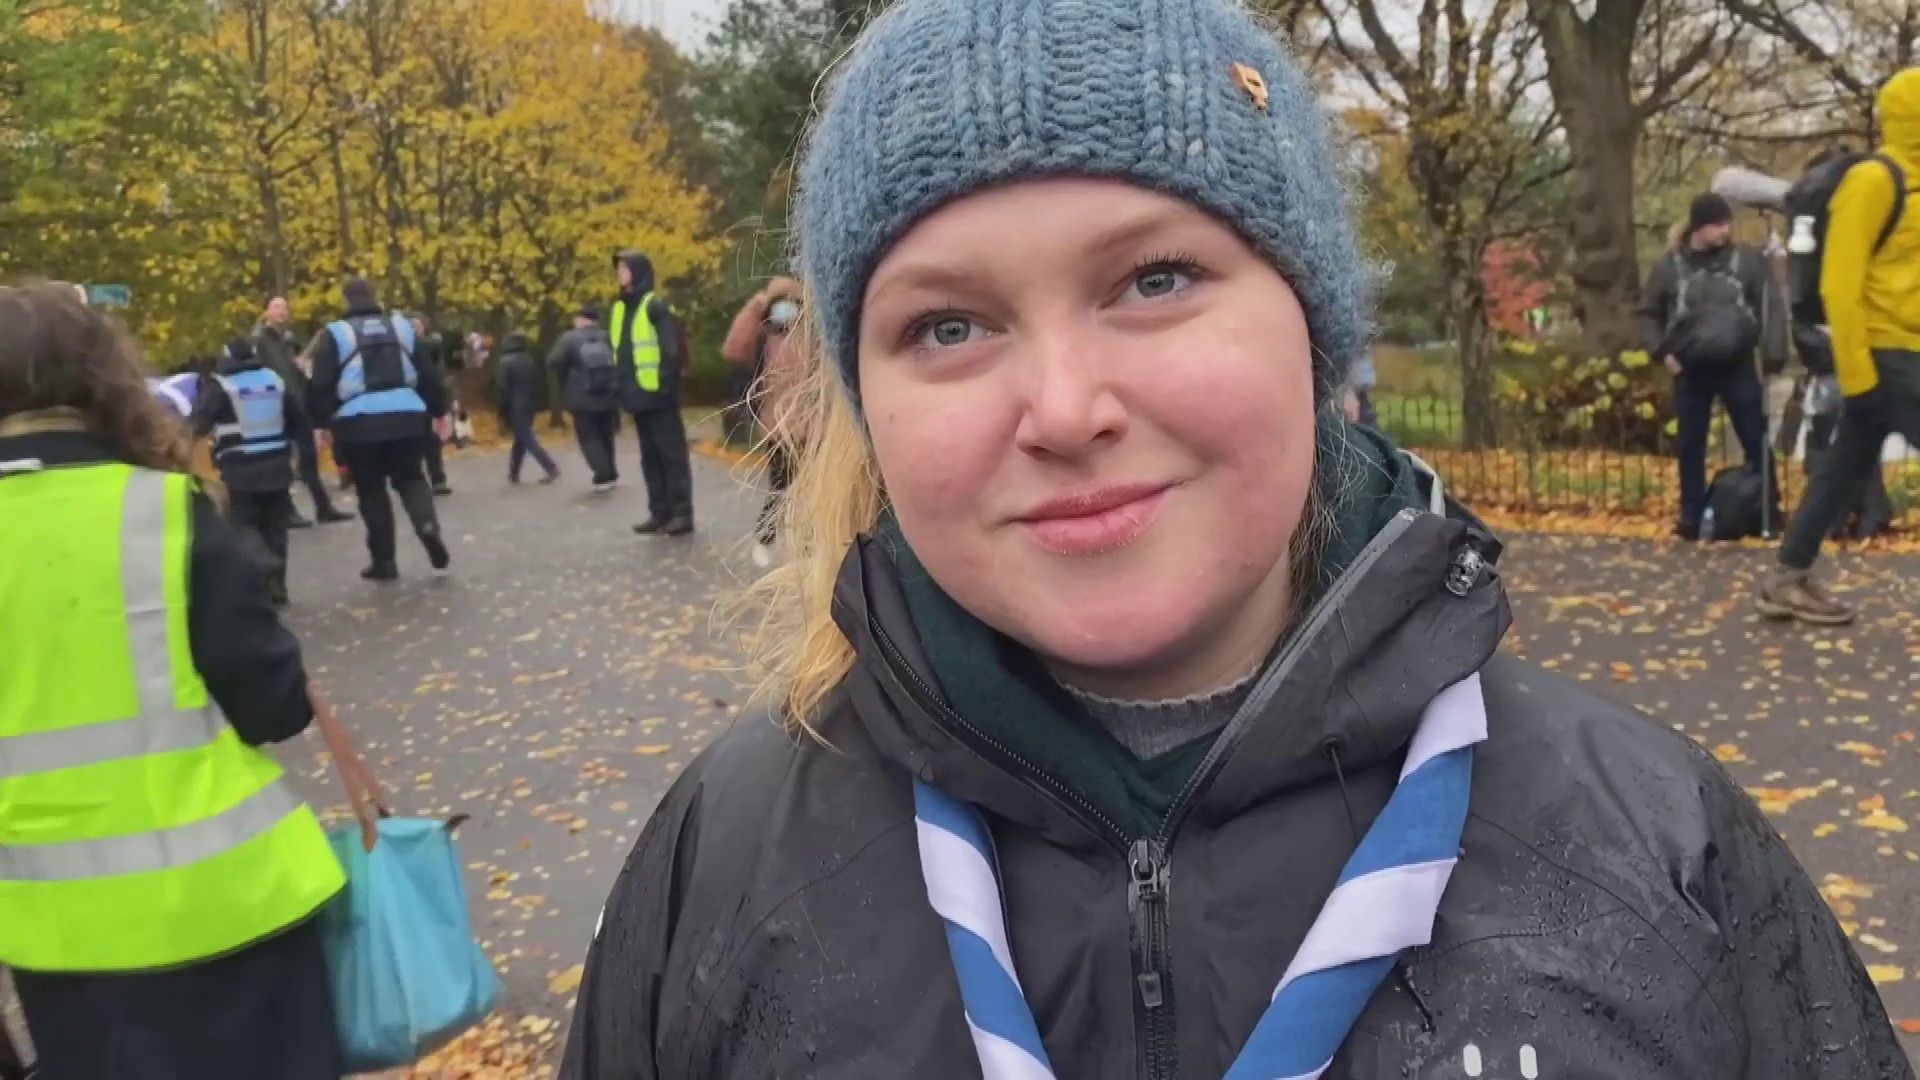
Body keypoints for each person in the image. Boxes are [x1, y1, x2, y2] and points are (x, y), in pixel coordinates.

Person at [559, 3, 1910, 1077]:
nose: (1065, 410)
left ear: (1315, 341)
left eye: (1155, 280)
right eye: (947, 326)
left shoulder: (1652, 851)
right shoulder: (724, 870)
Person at [0, 283, 349, 1079]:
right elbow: (273, 705)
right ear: (101, 377)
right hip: (228, 914)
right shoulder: (155, 510)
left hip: (55, 941)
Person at [1761, 69, 1920, 624]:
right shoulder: (1874, 181)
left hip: (1904, 349)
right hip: (1885, 353)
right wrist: (1858, 376)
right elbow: (1838, 285)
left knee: (1843, 464)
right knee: (1845, 459)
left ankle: (1787, 577)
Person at [1639, 191, 1786, 541]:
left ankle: (1768, 510)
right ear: (1698, 228)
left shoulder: (1746, 262)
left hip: (1737, 364)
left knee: (1755, 438)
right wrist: (1662, 353)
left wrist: (1773, 355)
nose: (1725, 230)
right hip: (1690, 368)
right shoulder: (1670, 268)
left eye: (1726, 223)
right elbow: (1648, 314)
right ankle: (1691, 516)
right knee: (1691, 445)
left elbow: (1770, 306)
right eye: (1717, 224)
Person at [307, 277, 452, 580]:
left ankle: (384, 561)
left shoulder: (336, 333)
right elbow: (427, 373)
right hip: (407, 415)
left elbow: (321, 383)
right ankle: (428, 527)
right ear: (373, 297)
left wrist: (320, 423)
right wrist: (440, 410)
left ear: (346, 300)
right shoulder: (402, 327)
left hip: (359, 422)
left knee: (371, 490)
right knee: (412, 478)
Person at [192, 337, 310, 606]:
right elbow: (298, 419)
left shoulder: (221, 386)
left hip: (239, 468)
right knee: (276, 528)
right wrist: (302, 454)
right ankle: (277, 586)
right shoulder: (274, 380)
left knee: (243, 524)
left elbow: (199, 422)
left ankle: (264, 564)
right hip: (278, 465)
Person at [720, 276, 803, 568]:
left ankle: (809, 550)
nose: (786, 314)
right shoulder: (765, 336)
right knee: (780, 488)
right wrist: (757, 306)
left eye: (792, 306)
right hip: (779, 426)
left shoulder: (813, 330)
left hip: (817, 425)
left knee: (814, 490)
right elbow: (733, 350)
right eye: (780, 307)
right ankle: (764, 538)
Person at [610, 251, 693, 536]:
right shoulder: (620, 308)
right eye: (619, 268)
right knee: (650, 457)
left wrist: (664, 385)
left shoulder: (654, 306)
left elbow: (671, 350)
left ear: (639, 272)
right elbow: (620, 352)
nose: (619, 273)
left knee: (671, 456)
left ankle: (682, 514)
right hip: (636, 396)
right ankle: (659, 512)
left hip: (658, 396)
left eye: (624, 268)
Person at [255, 296, 353, 526]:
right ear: (266, 312)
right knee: (281, 460)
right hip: (277, 405)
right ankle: (286, 511)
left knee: (309, 459)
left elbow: (294, 371)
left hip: (298, 404)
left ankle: (323, 508)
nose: (281, 311)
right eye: (276, 307)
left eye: (284, 307)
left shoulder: (288, 340)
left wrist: (302, 370)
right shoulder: (260, 340)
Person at [547, 304, 623, 492]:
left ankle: (602, 475)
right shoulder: (607, 336)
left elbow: (553, 361)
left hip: (581, 396)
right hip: (607, 395)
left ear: (581, 320)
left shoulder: (568, 339)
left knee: (589, 438)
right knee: (606, 436)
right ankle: (611, 474)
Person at [497, 330, 559, 485]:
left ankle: (550, 467)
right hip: (529, 403)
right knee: (521, 438)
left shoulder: (505, 361)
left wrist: (502, 409)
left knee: (526, 437)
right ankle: (514, 472)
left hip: (514, 405)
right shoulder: (529, 360)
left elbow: (504, 387)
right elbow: (536, 382)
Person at [406, 314, 454, 497]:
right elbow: (433, 379)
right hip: (423, 400)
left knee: (418, 442)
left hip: (410, 402)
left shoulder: (401, 350)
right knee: (430, 442)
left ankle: (415, 481)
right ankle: (436, 478)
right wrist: (439, 409)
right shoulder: (427, 348)